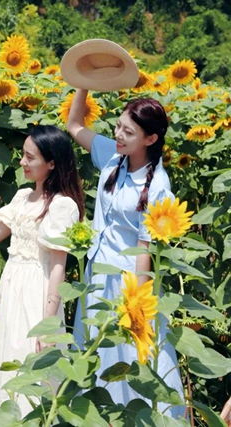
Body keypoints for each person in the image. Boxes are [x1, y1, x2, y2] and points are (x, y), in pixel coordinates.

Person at [66, 88, 184, 417]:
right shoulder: (112, 157)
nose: (118, 134)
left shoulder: (159, 185)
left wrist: (138, 301)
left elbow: (145, 247)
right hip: (97, 274)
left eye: (128, 132)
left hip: (128, 281)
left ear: (150, 139)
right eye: (117, 126)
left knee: (131, 355)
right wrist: (83, 82)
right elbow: (74, 125)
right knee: (95, 349)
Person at [0, 125, 84, 415]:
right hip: (12, 286)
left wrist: (48, 322)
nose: (22, 162)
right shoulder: (22, 198)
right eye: (22, 155)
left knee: (34, 363)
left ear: (52, 162)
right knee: (8, 355)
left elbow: (58, 267)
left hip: (38, 291)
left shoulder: (62, 206)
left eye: (30, 157)